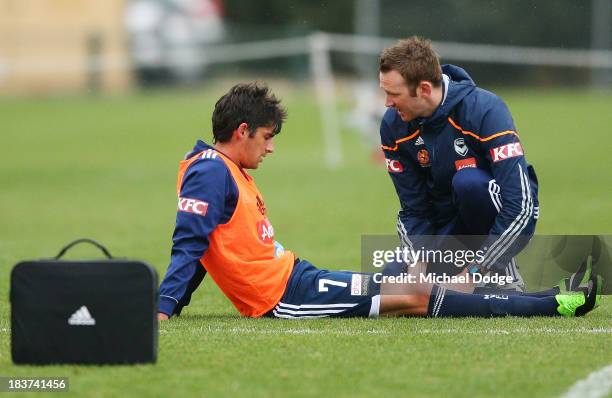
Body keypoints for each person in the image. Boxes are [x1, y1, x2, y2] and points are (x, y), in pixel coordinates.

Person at [157, 82, 600, 321]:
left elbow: (203, 247)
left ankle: (528, 292)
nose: (270, 148)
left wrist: (171, 305)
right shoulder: (210, 170)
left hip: (295, 277)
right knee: (414, 295)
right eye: (267, 137)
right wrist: (164, 306)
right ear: (242, 132)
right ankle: (550, 303)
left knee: (404, 285)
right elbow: (190, 244)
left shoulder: (220, 169)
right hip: (282, 298)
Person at [378, 36, 539, 291]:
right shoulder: (393, 126)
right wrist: (417, 267)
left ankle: (501, 273)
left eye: (393, 94)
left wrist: (473, 274)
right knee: (391, 282)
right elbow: (413, 208)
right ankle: (459, 275)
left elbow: (520, 205)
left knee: (470, 183)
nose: (387, 103)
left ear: (424, 90)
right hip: (447, 230)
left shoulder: (485, 110)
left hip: (493, 222)